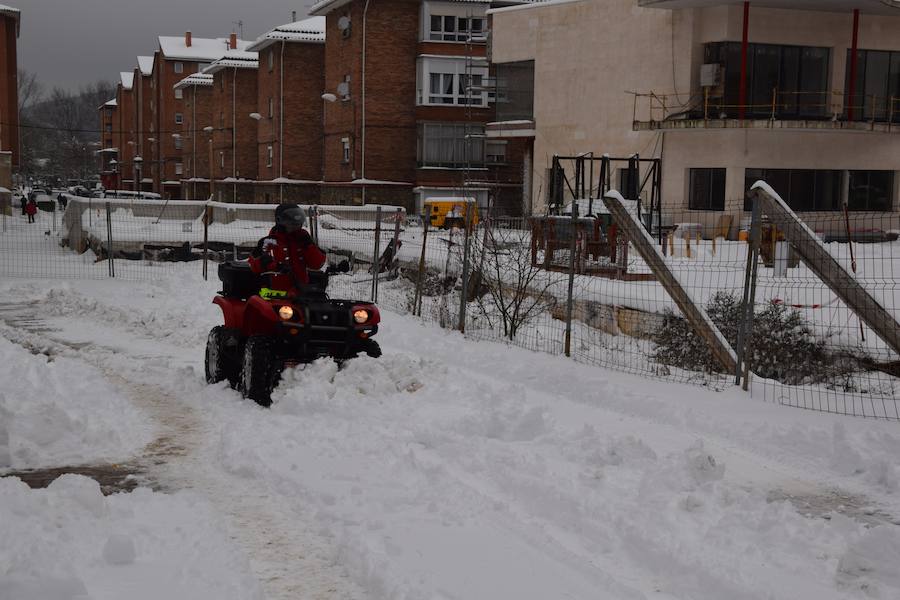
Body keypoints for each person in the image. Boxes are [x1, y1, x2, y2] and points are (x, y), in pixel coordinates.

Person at [249, 204, 326, 293]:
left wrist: (309, 245)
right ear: (280, 222)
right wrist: (266, 263)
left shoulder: (302, 241)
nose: (296, 227)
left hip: (300, 294)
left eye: (298, 225)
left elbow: (317, 264)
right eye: (292, 224)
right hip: (274, 294)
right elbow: (254, 266)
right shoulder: (267, 242)